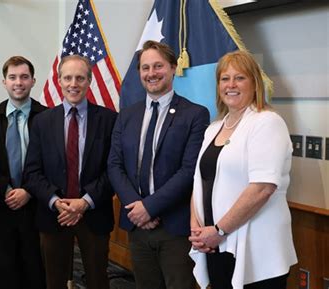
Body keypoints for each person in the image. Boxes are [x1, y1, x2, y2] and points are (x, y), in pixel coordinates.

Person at [188, 50, 297, 289]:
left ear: (254, 83)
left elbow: (262, 188)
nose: (231, 85)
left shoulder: (267, 122)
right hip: (216, 243)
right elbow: (200, 180)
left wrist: (218, 229)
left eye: (240, 78)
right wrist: (196, 228)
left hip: (256, 250)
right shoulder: (214, 128)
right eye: (224, 79)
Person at [108, 40, 209, 289]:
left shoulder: (195, 114)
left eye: (158, 66)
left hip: (174, 226)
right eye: (145, 68)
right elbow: (114, 164)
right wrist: (138, 209)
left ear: (173, 68)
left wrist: (150, 208)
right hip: (137, 225)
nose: (151, 73)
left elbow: (188, 171)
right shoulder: (127, 115)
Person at [23, 55, 117, 289]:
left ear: (89, 81)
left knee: (98, 279)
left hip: (94, 213)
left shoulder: (109, 119)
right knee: (54, 281)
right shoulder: (42, 122)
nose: (73, 83)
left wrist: (84, 203)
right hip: (54, 214)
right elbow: (32, 172)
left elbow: (113, 169)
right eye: (68, 78)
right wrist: (57, 202)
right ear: (59, 81)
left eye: (79, 78)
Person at [0, 56, 46, 289]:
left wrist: (28, 190)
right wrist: (6, 189)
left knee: (35, 263)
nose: (19, 82)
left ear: (33, 81)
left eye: (24, 77)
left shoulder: (47, 118)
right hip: (2, 202)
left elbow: (51, 162)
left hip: (36, 203)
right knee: (5, 264)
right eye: (13, 77)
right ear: (4, 82)